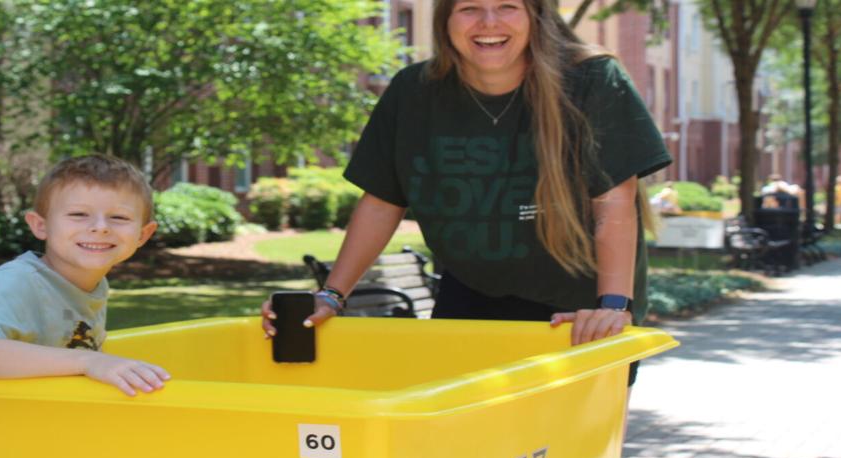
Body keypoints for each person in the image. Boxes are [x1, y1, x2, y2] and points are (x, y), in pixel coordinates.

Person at [262, 0, 671, 369]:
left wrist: (613, 306)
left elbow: (615, 201)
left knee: (562, 449)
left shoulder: (592, 80)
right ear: (446, 20)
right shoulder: (413, 92)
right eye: (469, 8)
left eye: (507, 6)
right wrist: (332, 296)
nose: (488, 22)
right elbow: (382, 202)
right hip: (472, 294)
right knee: (460, 444)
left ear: (535, 16)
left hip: (579, 304)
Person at [0, 155, 170, 397]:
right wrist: (89, 361)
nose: (100, 227)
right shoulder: (19, 279)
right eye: (78, 214)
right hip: (2, 424)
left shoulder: (93, 283)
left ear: (143, 235)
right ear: (40, 226)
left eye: (118, 217)